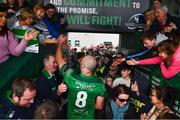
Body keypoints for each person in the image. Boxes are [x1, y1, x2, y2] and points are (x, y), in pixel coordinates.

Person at [56, 32, 106, 119]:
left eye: (81, 62)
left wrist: (60, 43)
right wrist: (87, 106)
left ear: (82, 66)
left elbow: (59, 60)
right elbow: (99, 106)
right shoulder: (100, 84)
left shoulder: (71, 76)